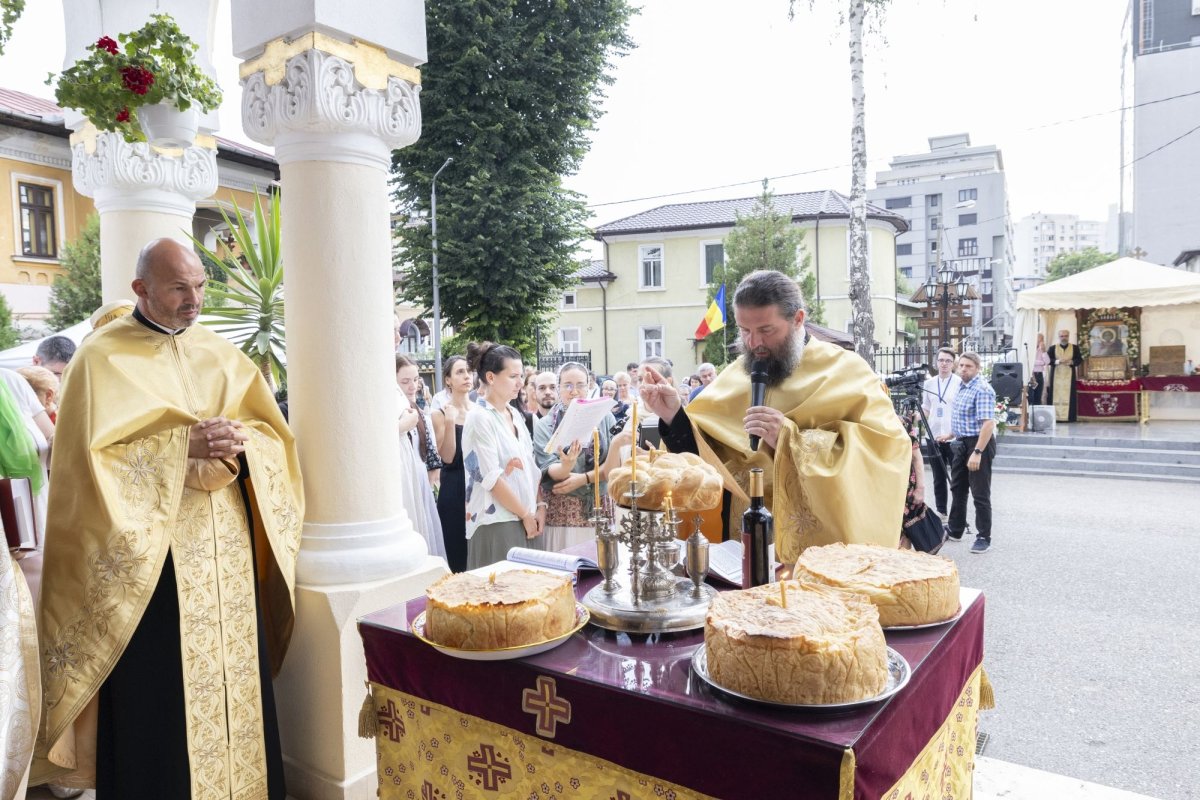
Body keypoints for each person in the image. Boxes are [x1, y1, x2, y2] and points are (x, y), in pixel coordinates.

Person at [31, 238, 303, 799]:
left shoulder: (222, 355)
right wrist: (182, 446)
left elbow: (274, 436)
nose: (193, 299)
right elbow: (82, 463)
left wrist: (240, 441)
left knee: (234, 681)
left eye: (199, 285)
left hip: (226, 551)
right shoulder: (100, 360)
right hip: (151, 557)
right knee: (160, 695)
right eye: (179, 287)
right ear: (141, 288)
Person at [640, 270, 910, 563]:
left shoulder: (847, 372)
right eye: (744, 330)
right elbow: (705, 460)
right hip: (739, 545)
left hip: (813, 550)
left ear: (798, 319)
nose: (754, 342)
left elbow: (887, 449)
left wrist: (790, 439)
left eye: (766, 330)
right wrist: (673, 416)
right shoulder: (734, 374)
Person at [461, 342, 545, 569]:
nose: (520, 383)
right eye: (513, 376)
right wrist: (525, 514)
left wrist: (540, 505)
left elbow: (530, 466)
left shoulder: (515, 413)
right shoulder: (479, 417)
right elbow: (491, 478)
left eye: (521, 376)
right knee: (500, 588)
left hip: (526, 516)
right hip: (497, 521)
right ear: (491, 377)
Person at [532, 362, 630, 552]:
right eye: (567, 385)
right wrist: (566, 465)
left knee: (600, 564)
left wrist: (584, 478)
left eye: (580, 385)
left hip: (600, 504)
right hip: (562, 510)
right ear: (559, 388)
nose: (574, 391)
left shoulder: (605, 418)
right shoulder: (546, 425)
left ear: (589, 386)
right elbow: (549, 470)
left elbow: (613, 469)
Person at [395, 357, 446, 560]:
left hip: (421, 479)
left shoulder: (420, 413)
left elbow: (431, 456)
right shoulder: (396, 412)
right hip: (404, 480)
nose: (412, 386)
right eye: (405, 381)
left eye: (415, 380)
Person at [947, 352, 997, 554]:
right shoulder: (962, 385)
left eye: (968, 366)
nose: (963, 369)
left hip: (978, 444)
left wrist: (977, 452)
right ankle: (955, 529)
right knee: (958, 488)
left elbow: (988, 423)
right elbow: (964, 417)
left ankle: (984, 536)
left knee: (980, 492)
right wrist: (951, 434)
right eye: (961, 365)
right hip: (961, 442)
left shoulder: (982, 389)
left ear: (977, 368)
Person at [433, 356, 474, 572]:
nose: (467, 376)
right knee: (458, 558)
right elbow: (447, 457)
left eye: (468, 371)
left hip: (478, 490)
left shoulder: (480, 410)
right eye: (460, 372)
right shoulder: (439, 414)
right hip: (454, 490)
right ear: (448, 380)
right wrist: (450, 421)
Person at [921, 347, 961, 519]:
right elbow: (926, 408)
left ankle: (957, 513)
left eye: (948, 361)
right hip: (934, 435)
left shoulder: (959, 382)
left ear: (953, 364)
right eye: (941, 360)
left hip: (953, 437)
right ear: (936, 362)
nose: (944, 364)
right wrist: (915, 416)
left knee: (957, 477)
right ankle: (941, 511)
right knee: (938, 477)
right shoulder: (929, 383)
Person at [1046, 329, 1083, 422]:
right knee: (1055, 395)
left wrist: (1072, 362)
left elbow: (1079, 359)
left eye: (1066, 336)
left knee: (1070, 395)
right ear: (1059, 337)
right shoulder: (1052, 348)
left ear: (1068, 336)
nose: (1064, 338)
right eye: (1062, 336)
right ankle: (1055, 417)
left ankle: (1069, 417)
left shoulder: (1075, 348)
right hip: (1056, 376)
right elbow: (1048, 360)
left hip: (1069, 376)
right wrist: (1057, 361)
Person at [1028, 333, 1050, 408]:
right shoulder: (1030, 349)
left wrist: (1044, 351)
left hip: (1039, 375)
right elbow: (1030, 362)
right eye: (1040, 339)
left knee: (1038, 396)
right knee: (1031, 397)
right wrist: (1041, 363)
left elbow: (1047, 362)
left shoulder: (1042, 350)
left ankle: (1037, 413)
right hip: (1031, 375)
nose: (1041, 341)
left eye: (1042, 339)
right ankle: (1030, 413)